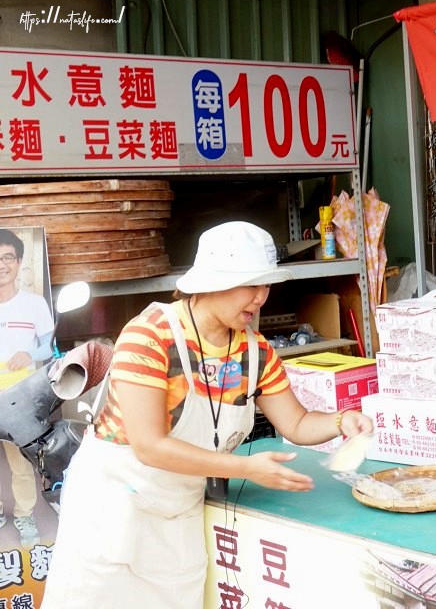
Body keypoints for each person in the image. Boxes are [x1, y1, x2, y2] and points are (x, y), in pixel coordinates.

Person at [44, 221, 374, 608]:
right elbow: (150, 446)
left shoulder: (256, 352)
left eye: (266, 286)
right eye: (251, 285)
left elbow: (297, 424)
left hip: (177, 512)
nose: (261, 298)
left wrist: (341, 420)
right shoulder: (150, 335)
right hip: (113, 508)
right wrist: (248, 468)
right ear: (212, 282)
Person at [0, 227, 54, 548]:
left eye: (8, 258)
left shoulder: (34, 305)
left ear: (19, 263)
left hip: (19, 397)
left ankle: (24, 515)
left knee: (20, 460)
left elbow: (49, 349)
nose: (2, 264)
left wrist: (29, 353)